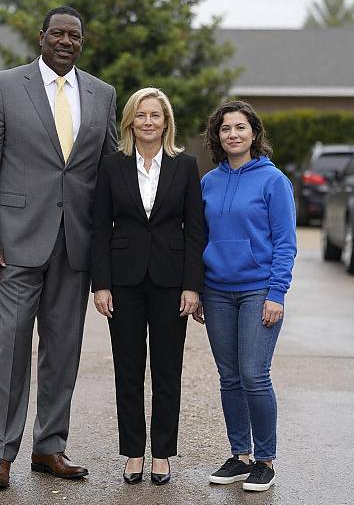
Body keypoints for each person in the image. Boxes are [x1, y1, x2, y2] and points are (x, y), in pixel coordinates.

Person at [0, 6, 117, 489]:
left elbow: (109, 170)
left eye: (74, 35)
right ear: (41, 37)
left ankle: (49, 447)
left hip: (75, 245)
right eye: (58, 33)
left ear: (82, 43)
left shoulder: (101, 93)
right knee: (9, 351)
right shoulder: (4, 86)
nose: (66, 41)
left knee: (63, 352)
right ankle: (0, 454)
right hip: (12, 244)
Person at [91, 88, 204, 485]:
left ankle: (162, 454)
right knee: (128, 369)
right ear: (130, 122)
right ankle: (134, 452)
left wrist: (193, 286)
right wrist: (100, 284)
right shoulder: (111, 166)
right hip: (123, 282)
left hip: (172, 283)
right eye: (141, 115)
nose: (149, 122)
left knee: (167, 370)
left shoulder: (186, 166)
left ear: (166, 122)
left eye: (156, 115)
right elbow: (100, 228)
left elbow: (196, 231)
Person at [195, 100, 296, 492]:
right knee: (230, 377)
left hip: (258, 292)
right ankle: (240, 456)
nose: (233, 134)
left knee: (255, 375)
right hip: (217, 291)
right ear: (217, 137)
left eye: (240, 127)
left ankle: (265, 460)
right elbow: (200, 238)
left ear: (254, 133)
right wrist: (201, 288)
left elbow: (286, 243)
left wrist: (277, 293)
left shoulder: (273, 181)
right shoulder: (209, 182)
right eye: (225, 129)